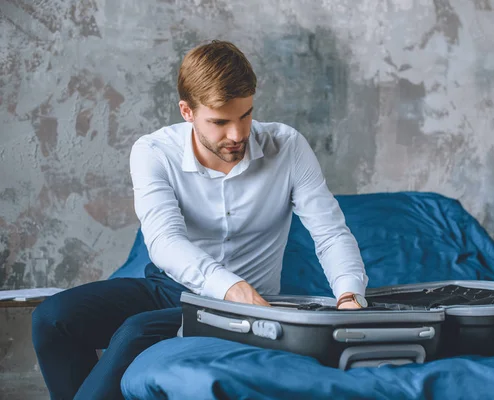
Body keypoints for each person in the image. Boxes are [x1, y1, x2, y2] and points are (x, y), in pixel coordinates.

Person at [31, 40, 369, 400]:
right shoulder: (154, 152)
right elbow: (164, 242)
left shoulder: (287, 147)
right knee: (52, 319)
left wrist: (350, 295)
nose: (237, 135)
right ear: (187, 111)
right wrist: (229, 285)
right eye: (220, 122)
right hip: (170, 288)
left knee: (136, 332)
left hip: (246, 308)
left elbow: (330, 232)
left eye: (246, 116)